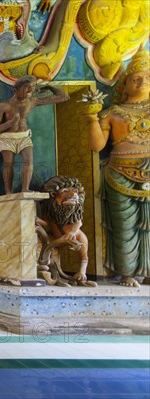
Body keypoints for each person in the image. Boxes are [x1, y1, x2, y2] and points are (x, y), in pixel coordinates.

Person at [82, 47, 149, 288]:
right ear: (125, 83)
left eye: (147, 77)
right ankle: (127, 272)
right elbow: (97, 145)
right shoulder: (113, 112)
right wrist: (92, 117)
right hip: (119, 173)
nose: (142, 81)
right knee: (124, 227)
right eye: (136, 78)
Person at [0, 75, 69, 193]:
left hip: (24, 136)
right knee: (8, 163)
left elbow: (64, 97)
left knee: (28, 161)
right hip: (7, 138)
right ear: (15, 90)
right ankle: (8, 192)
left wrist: (48, 86)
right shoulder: (3, 106)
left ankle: (25, 189)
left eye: (32, 87)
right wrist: (10, 123)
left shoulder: (32, 101)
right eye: (27, 87)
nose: (30, 91)